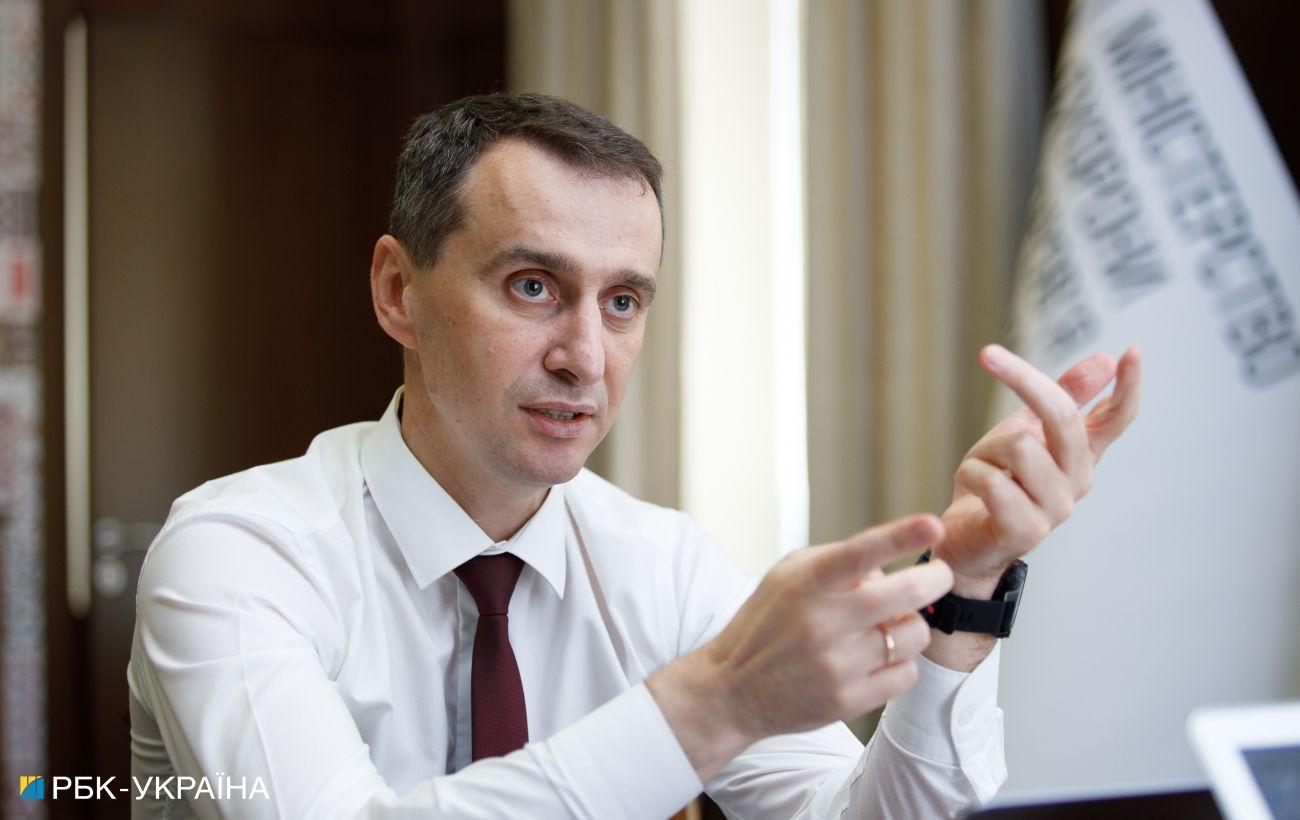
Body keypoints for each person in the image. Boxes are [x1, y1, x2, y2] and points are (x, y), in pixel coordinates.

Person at [127, 92, 1142, 819]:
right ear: (399, 293)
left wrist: (966, 592)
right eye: (532, 286)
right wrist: (717, 701)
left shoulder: (662, 566)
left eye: (622, 301)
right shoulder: (237, 551)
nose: (585, 356)